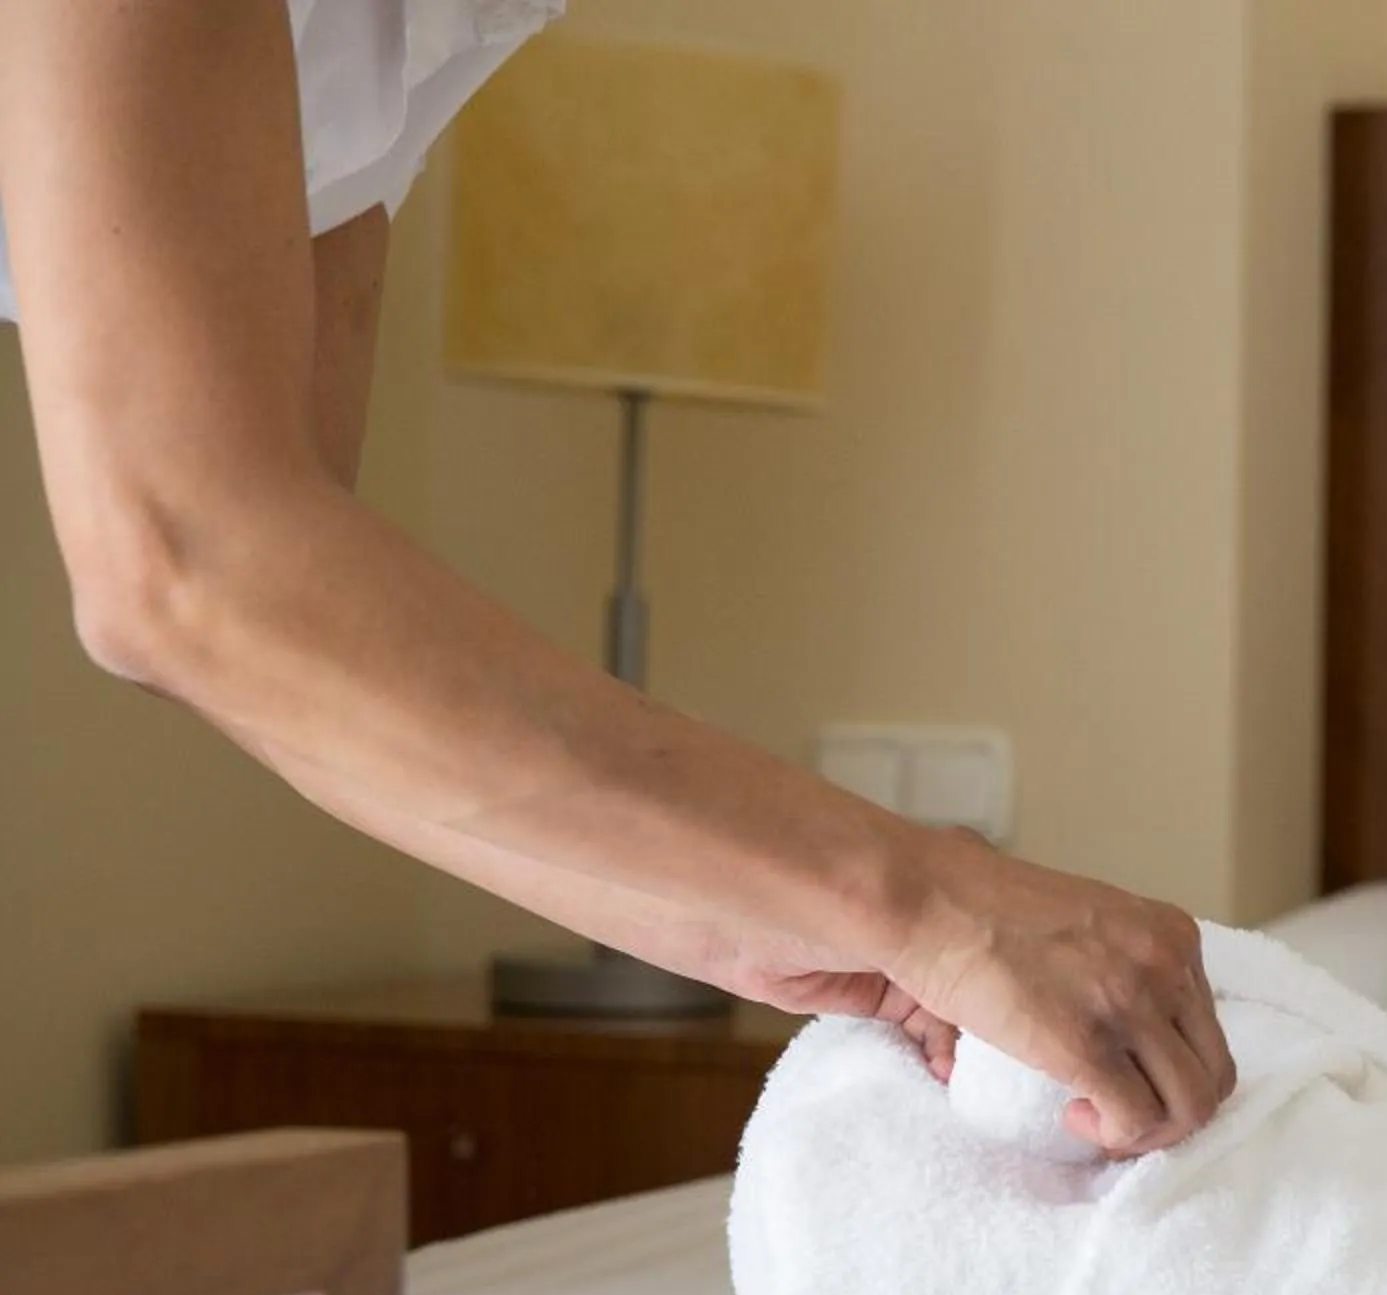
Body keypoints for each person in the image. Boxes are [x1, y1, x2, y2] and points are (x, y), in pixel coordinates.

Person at [0, 0, 1236, 1155]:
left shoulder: (381, 48)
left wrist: (772, 924)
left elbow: (276, 654)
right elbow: (186, 571)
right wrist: (923, 894)